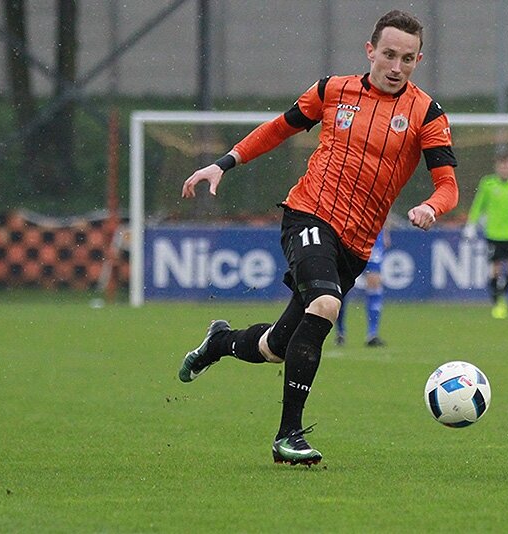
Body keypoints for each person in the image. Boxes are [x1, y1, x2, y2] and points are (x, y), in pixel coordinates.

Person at [178, 10, 458, 466]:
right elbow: (278, 129)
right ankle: (287, 436)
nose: (396, 67)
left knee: (275, 347)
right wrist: (224, 162)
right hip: (308, 213)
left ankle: (219, 342)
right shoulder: (333, 90)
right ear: (370, 51)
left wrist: (431, 206)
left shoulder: (426, 113)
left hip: (357, 245)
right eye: (388, 55)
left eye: (407, 59)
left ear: (418, 60)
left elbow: (447, 185)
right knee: (326, 304)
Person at [462, 150, 508, 319]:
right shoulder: (488, 184)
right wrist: (471, 225)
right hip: (493, 234)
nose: (505, 169)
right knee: (495, 271)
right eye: (502, 166)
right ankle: (498, 302)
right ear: (497, 167)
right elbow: (478, 205)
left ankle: (499, 295)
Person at [335, 228, 389, 347]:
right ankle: (340, 331)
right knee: (341, 282)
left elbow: (386, 214)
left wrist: (385, 231)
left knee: (374, 281)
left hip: (373, 232)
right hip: (350, 230)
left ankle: (372, 334)